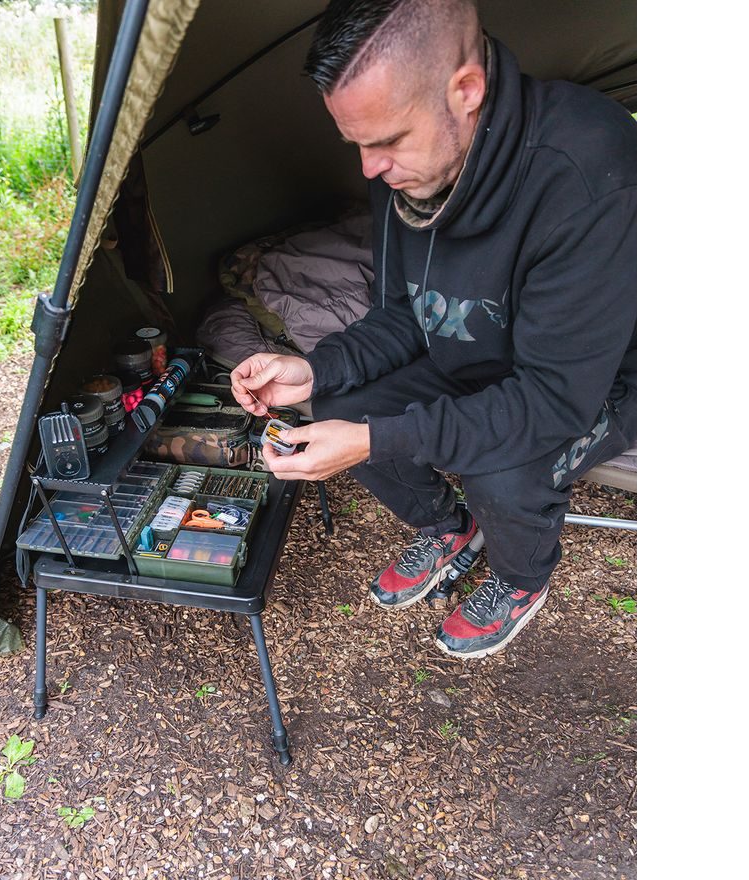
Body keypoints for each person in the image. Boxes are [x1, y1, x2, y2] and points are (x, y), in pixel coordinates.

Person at [230, 0, 636, 659]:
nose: (369, 168)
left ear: (465, 92)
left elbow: (553, 402)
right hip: (481, 354)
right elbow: (408, 314)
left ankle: (520, 576)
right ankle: (449, 528)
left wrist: (376, 440)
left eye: (386, 141)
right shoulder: (405, 168)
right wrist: (315, 369)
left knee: (499, 474)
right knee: (337, 400)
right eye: (357, 144)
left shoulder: (590, 170)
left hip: (596, 382)